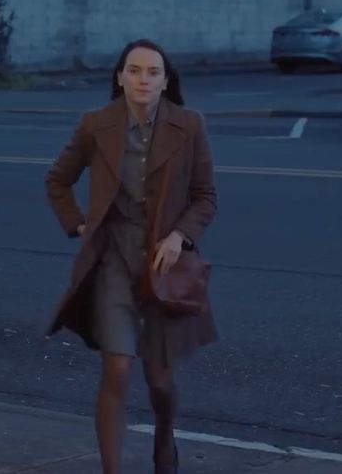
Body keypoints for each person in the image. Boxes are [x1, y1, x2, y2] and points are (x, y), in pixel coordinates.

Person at [44, 39, 219, 474]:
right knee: (117, 368)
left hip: (162, 268)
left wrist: (180, 235)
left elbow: (205, 197)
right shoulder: (95, 125)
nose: (143, 78)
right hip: (112, 262)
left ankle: (164, 435)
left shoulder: (190, 125)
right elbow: (57, 180)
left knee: (159, 381)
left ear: (165, 81)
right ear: (120, 77)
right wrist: (80, 225)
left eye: (153, 72)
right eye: (134, 70)